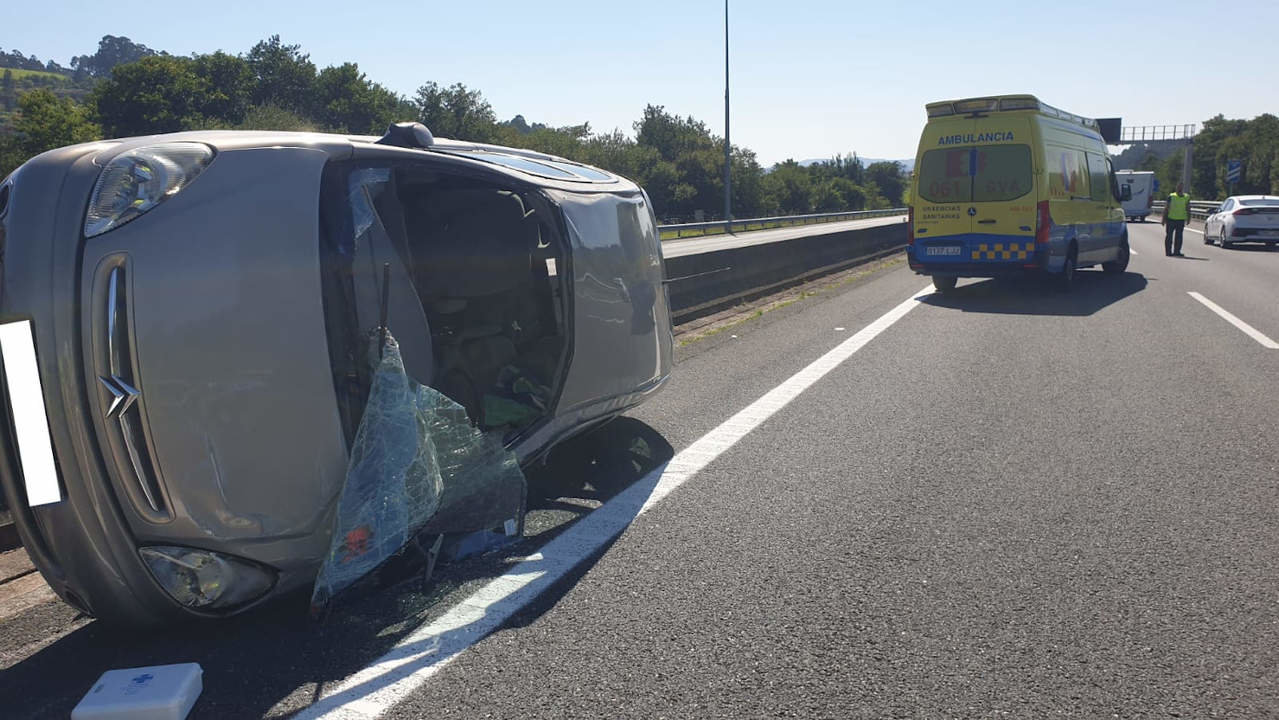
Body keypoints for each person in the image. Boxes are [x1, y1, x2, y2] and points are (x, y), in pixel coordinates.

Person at [1163, 183, 1190, 256]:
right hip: (1171, 219)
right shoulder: (1171, 196)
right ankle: (1168, 252)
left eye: (1181, 187)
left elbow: (1188, 208)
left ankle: (1177, 251)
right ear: (1176, 188)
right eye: (1178, 187)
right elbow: (1166, 207)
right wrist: (1164, 219)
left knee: (1179, 237)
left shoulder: (1186, 197)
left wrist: (1188, 218)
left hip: (1180, 220)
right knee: (1169, 237)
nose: (1179, 189)